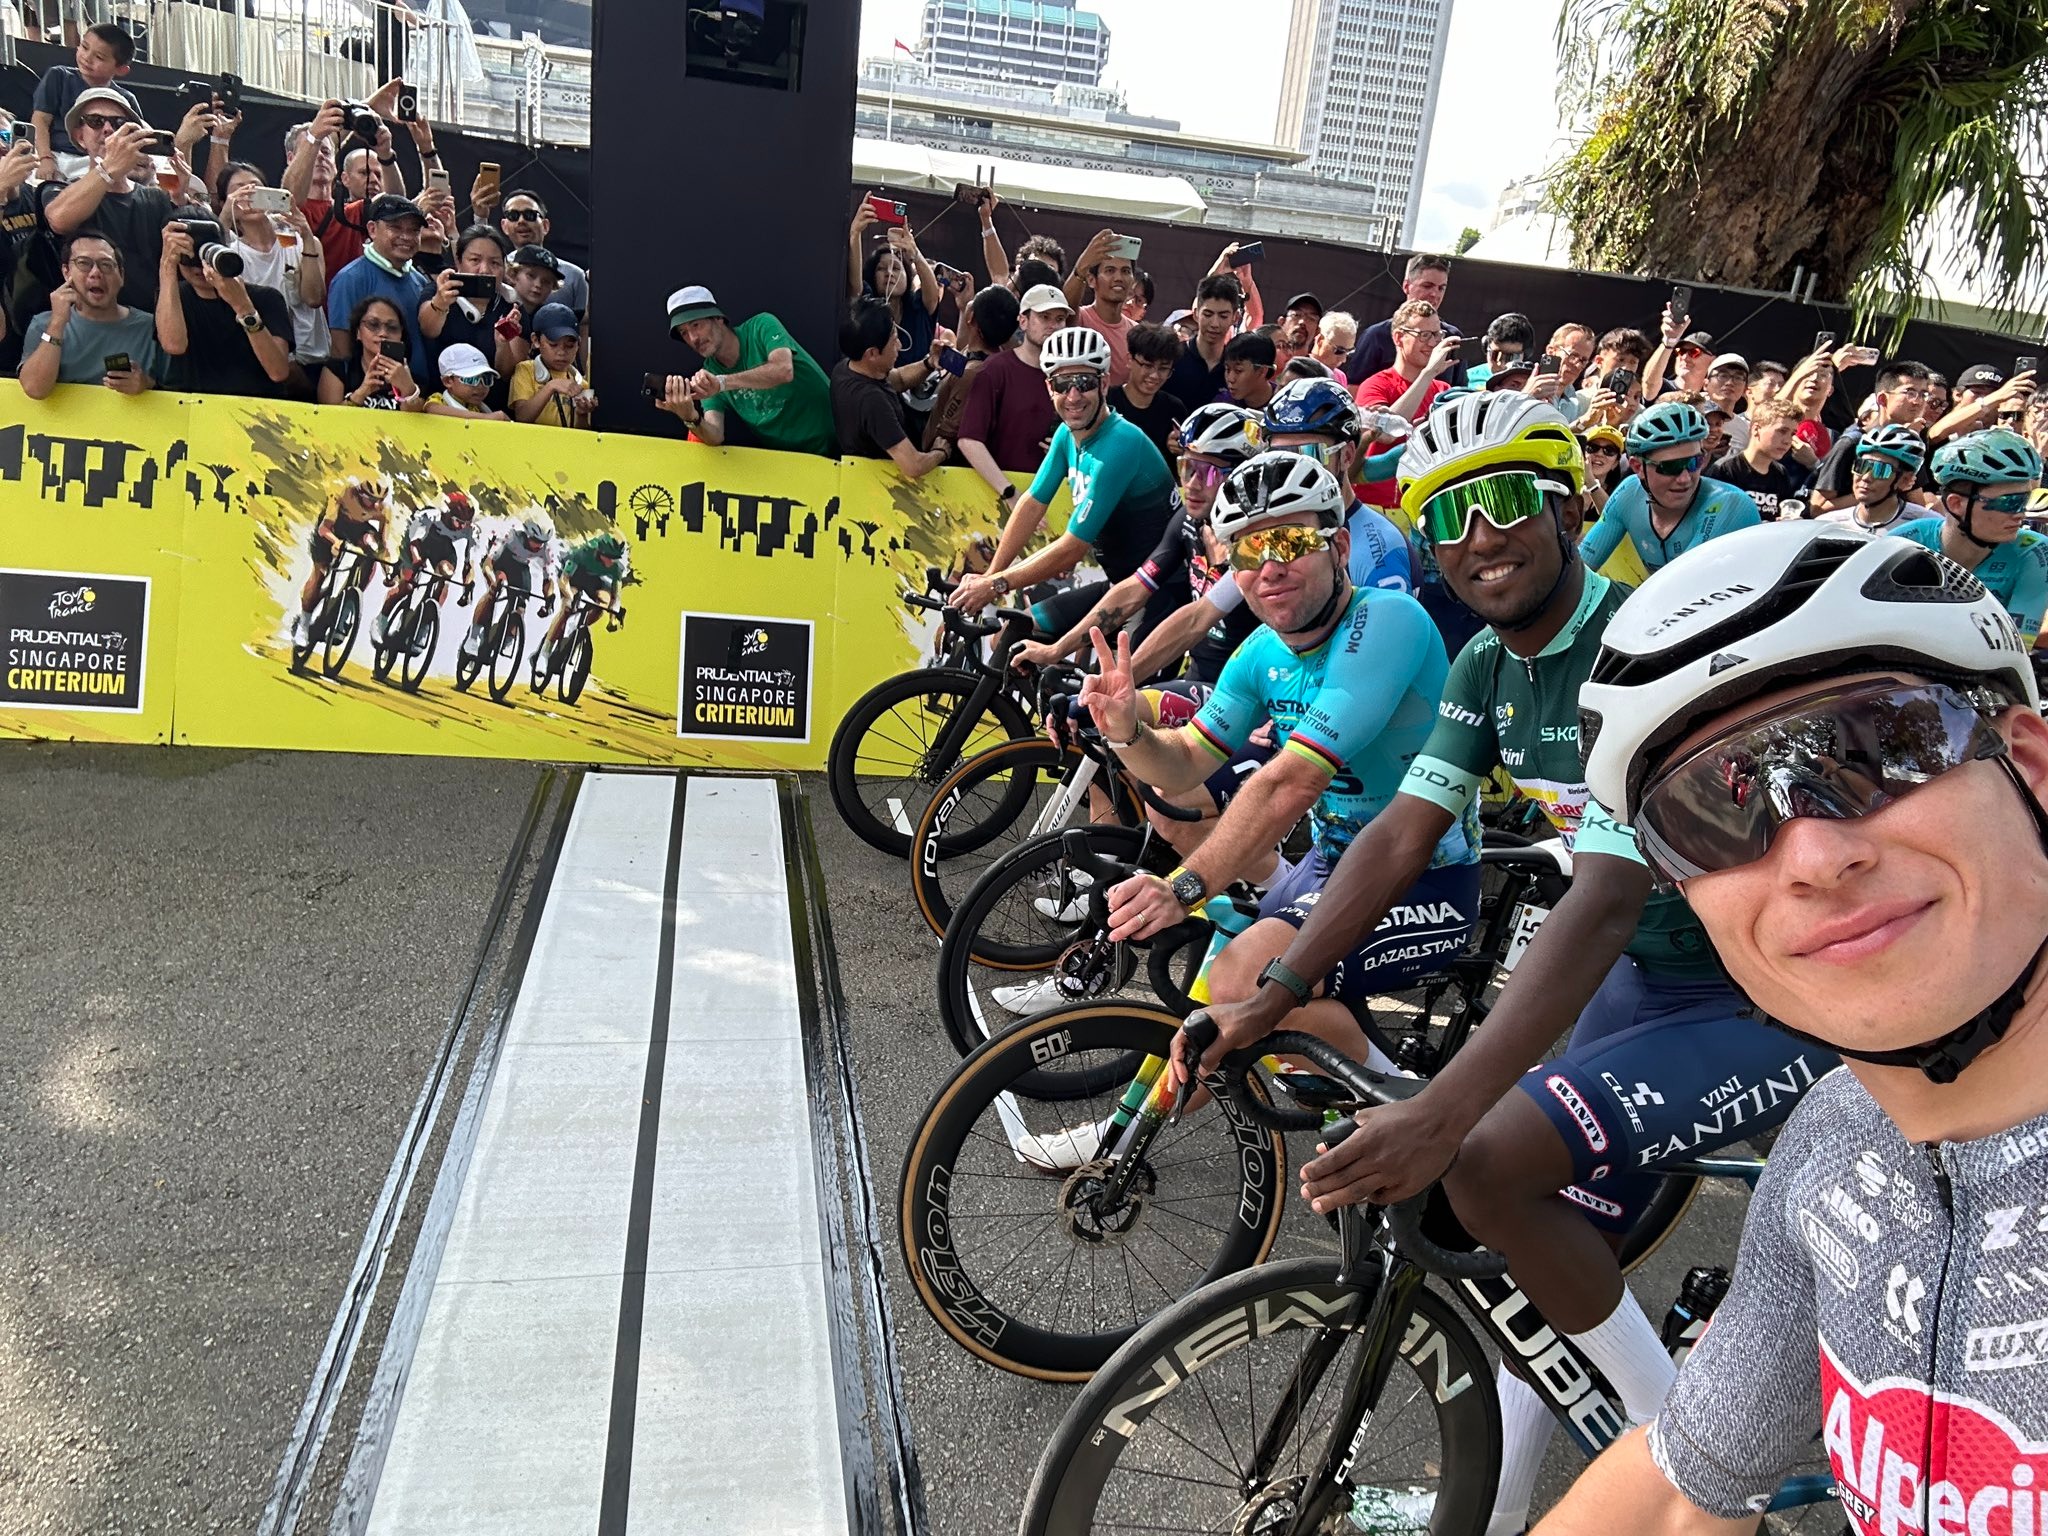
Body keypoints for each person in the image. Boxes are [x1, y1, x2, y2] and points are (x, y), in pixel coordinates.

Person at [1178, 392, 1836, 1536]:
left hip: (1766, 989)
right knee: (1544, 1264)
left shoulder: (1645, 643)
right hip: (1641, 980)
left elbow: (1603, 895)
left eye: (1505, 500)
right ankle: (1495, 1512)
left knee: (1482, 1168)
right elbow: (1396, 835)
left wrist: (1441, 1108)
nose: (1480, 535)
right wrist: (1275, 988)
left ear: (1568, 503)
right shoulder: (1482, 664)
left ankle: (1700, 1484)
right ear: (1425, 541)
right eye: (1449, 515)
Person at [1535, 520, 2048, 1533]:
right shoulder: (1833, 1140)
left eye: (1875, 746)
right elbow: (1678, 1495)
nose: (1811, 854)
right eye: (1709, 812)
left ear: (2028, 767)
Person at [1080, 448, 1478, 1055]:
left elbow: (1292, 782)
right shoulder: (1261, 652)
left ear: (1340, 548)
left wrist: (1186, 887)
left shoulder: (1388, 620)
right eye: (1246, 550)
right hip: (1331, 862)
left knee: (1246, 982)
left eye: (1291, 542)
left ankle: (1419, 1122)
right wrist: (1126, 731)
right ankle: (1123, 1144)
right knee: (1213, 1000)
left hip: (1424, 875)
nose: (1270, 566)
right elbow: (1184, 760)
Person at [948, 327, 1187, 645]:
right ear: (1049, 387)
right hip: (1120, 584)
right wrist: (990, 575)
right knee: (1008, 637)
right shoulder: (1066, 434)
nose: (1073, 397)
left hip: (1161, 595)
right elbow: (1032, 504)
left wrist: (997, 585)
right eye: (1063, 384)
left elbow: (1072, 548)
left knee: (1110, 691)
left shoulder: (1121, 444)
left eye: (1084, 383)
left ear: (1103, 383)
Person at [1012, 402, 1263, 683]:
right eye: (1187, 467)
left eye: (1207, 472)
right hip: (1200, 680)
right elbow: (1134, 588)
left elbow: (1195, 621)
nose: (1191, 483)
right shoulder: (1188, 521)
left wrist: (1117, 683)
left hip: (1241, 691)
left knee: (1112, 709)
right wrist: (1057, 649)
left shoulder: (1257, 544)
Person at [1893, 429, 2048, 646]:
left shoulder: (2035, 552)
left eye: (2025, 500)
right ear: (1957, 504)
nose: (2021, 513)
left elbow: (2014, 649)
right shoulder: (1906, 541)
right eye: (2009, 502)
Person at [1580, 399, 1763, 574]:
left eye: (1694, 462)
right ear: (1637, 467)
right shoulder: (1628, 492)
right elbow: (1582, 568)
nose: (1684, 478)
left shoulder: (1731, 505)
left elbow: (1681, 587)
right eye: (1670, 467)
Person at [34, 90, 175, 312]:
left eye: (119, 123)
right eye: (95, 121)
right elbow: (59, 220)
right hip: (88, 327)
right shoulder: (60, 190)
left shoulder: (155, 197)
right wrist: (109, 167)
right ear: (80, 136)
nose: (108, 129)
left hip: (149, 325)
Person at [655, 285, 835, 455]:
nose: (693, 338)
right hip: (792, 464)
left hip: (839, 445)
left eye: (696, 325)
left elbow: (784, 370)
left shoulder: (761, 325)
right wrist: (689, 416)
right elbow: (715, 435)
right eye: (684, 332)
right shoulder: (709, 373)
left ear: (718, 318)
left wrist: (722, 383)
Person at [155, 215, 299, 398]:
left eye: (204, 254)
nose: (198, 266)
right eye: (188, 257)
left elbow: (278, 372)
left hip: (256, 407)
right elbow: (174, 345)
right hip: (195, 409)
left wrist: (243, 307)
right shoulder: (172, 296)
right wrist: (167, 264)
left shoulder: (266, 298)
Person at [16, 233, 163, 398]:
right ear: (66, 272)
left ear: (121, 276)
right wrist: (57, 323)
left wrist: (145, 384)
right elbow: (35, 389)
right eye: (84, 263)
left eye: (106, 264)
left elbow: (179, 390)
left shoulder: (152, 327)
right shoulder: (43, 324)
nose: (95, 273)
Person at [956, 282, 1070, 488]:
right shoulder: (995, 369)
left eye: (1060, 319)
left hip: (1051, 495)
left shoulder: (1071, 375)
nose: (1053, 325)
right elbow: (969, 440)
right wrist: (1008, 492)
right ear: (1023, 321)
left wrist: (1068, 451)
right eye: (1044, 317)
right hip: (994, 497)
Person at [1351, 299, 1460, 510]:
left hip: (1423, 508)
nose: (1433, 343)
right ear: (1399, 338)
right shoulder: (1375, 385)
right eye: (1424, 335)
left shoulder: (1443, 390)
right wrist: (1428, 374)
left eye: (1438, 334)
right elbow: (1386, 432)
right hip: (1376, 508)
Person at [217, 163, 329, 365]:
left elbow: (313, 298)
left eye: (256, 187)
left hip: (314, 357)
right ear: (226, 202)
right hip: (267, 361)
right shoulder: (230, 254)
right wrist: (225, 216)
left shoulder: (300, 242)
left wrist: (308, 236)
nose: (250, 194)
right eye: (240, 190)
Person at [830, 296, 950, 475]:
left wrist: (929, 363)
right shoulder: (872, 402)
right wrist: (940, 452)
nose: (900, 345)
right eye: (894, 341)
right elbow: (913, 465)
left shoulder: (847, 367)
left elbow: (899, 379)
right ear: (872, 353)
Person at [324, 193, 434, 380]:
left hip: (415, 394)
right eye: (395, 228)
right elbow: (341, 351)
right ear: (372, 229)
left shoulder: (420, 280)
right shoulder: (349, 279)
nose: (406, 237)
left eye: (414, 230)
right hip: (370, 396)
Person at [1808, 360, 1934, 510]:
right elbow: (1818, 508)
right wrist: (1881, 490)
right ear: (1882, 399)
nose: (1918, 401)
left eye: (1924, 394)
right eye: (1910, 393)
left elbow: (1917, 504)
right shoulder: (1852, 442)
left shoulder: (1910, 445)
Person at [28, 21, 138, 179]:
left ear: (121, 69)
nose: (87, 57)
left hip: (102, 162)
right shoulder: (59, 77)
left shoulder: (125, 99)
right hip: (56, 156)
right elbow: (40, 120)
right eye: (84, 47)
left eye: (99, 57)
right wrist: (45, 158)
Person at [290, 476, 390, 645]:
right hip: (332, 528)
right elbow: (324, 528)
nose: (375, 505)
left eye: (379, 501)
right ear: (358, 493)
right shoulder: (342, 493)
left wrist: (387, 570)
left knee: (372, 549)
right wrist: (336, 542)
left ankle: (348, 603)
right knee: (320, 572)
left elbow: (383, 546)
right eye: (370, 500)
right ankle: (303, 623)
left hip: (358, 530)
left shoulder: (383, 509)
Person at [922, 282, 1017, 457]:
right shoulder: (988, 358)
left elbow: (947, 435)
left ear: (971, 317)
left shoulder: (973, 375)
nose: (970, 301)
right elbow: (967, 348)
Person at [418, 226, 516, 394]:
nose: (484, 270)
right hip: (441, 406)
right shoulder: (439, 290)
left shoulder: (510, 307)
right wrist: (440, 303)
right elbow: (428, 330)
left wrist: (503, 344)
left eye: (495, 263)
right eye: (475, 260)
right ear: (458, 261)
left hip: (492, 409)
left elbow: (506, 374)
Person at [1344, 252, 1464, 386]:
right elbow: (1355, 390)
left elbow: (1459, 392)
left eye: (1441, 288)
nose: (1435, 294)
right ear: (1406, 286)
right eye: (1427, 286)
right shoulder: (1376, 336)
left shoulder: (1453, 336)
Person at [378, 490, 479, 647]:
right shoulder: (430, 516)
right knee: (408, 585)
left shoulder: (470, 529)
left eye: (465, 523)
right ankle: (382, 618)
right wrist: (417, 561)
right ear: (447, 513)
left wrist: (467, 585)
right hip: (418, 543)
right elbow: (414, 544)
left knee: (446, 574)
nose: (461, 527)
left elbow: (469, 564)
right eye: (458, 521)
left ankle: (426, 622)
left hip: (442, 546)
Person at [848, 207, 939, 363]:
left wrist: (915, 254)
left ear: (908, 276)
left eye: (896, 268)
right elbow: (855, 286)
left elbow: (932, 296)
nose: (889, 273)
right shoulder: (868, 306)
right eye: (881, 268)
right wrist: (855, 234)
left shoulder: (916, 307)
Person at [536, 531, 629, 679]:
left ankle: (576, 628)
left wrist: (612, 619)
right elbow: (564, 581)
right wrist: (570, 597)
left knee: (603, 603)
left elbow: (615, 597)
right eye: (609, 557)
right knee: (567, 607)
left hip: (595, 580)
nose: (611, 561)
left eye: (615, 558)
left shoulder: (617, 566)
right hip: (574, 576)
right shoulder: (582, 552)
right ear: (600, 551)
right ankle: (544, 653)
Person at [463, 515, 557, 660]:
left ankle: (508, 635)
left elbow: (548, 579)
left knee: (521, 605)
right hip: (501, 559)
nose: (539, 545)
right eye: (536, 540)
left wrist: (549, 599)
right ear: (527, 535)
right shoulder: (510, 534)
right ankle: (473, 636)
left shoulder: (546, 549)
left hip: (521, 566)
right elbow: (488, 563)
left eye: (542, 542)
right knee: (496, 588)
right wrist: (492, 582)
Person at [485, 192, 589, 317]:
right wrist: (480, 217)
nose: (521, 221)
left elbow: (583, 325)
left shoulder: (575, 276)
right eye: (513, 215)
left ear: (545, 225)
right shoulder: (497, 268)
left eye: (530, 215)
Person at [1812, 421, 1926, 534]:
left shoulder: (1925, 527)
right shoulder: (1828, 524)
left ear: (1904, 480)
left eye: (1880, 470)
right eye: (1861, 466)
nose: (1866, 477)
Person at [1061, 228, 1140, 387]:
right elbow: (1064, 311)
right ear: (1091, 280)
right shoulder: (1081, 318)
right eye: (1110, 270)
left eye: (1125, 271)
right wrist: (1082, 267)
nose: (1118, 278)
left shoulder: (1137, 333)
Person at [318, 295, 423, 410]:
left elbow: (415, 426)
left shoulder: (413, 379)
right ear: (358, 332)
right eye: (373, 324)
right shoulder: (338, 370)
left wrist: (408, 390)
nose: (383, 333)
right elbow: (328, 421)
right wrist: (361, 393)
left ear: (401, 335)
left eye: (392, 327)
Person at [1708, 399, 1804, 519]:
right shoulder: (1726, 469)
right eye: (1782, 431)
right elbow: (1713, 518)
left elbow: (1782, 514)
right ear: (1756, 429)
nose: (1787, 441)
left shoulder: (1781, 473)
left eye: (1792, 434)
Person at [1106, 322, 1184, 463]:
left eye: (1163, 368)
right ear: (1129, 360)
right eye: (1147, 365)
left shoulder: (1174, 408)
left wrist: (1182, 449)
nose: (1154, 375)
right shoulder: (1106, 402)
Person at [507, 303, 594, 429]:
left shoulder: (582, 384)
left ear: (578, 344)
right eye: (553, 344)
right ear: (536, 340)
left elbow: (585, 434)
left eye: (569, 346)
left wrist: (582, 414)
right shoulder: (526, 369)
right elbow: (522, 417)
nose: (561, 352)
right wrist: (551, 386)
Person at [1164, 274, 1243, 411]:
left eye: (1223, 316)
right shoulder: (1172, 357)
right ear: (1196, 314)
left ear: (1235, 318)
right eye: (1208, 314)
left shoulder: (1236, 368)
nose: (1215, 324)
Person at [425, 341, 506, 419]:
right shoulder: (440, 400)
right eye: (471, 379)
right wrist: (486, 417)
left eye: (486, 379)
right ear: (448, 381)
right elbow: (431, 408)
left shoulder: (478, 408)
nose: (480, 386)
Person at [1466, 310, 1535, 389]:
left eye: (1511, 358)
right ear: (1486, 347)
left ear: (1525, 355)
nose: (1501, 364)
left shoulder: (1532, 383)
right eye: (1496, 355)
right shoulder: (1467, 379)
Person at [1700, 352, 1750, 450]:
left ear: (1745, 389)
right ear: (1705, 384)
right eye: (1723, 376)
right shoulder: (1690, 415)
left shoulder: (1747, 431)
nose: (1730, 383)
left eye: (1738, 378)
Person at [1219, 331, 1277, 411]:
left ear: (1262, 371)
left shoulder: (1283, 405)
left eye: (1238, 370)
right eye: (1227, 369)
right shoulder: (1223, 405)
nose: (1230, 379)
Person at [1311, 309, 1357, 373]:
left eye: (1349, 352)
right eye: (1339, 351)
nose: (1343, 360)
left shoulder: (1340, 376)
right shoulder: (1297, 370)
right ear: (1320, 340)